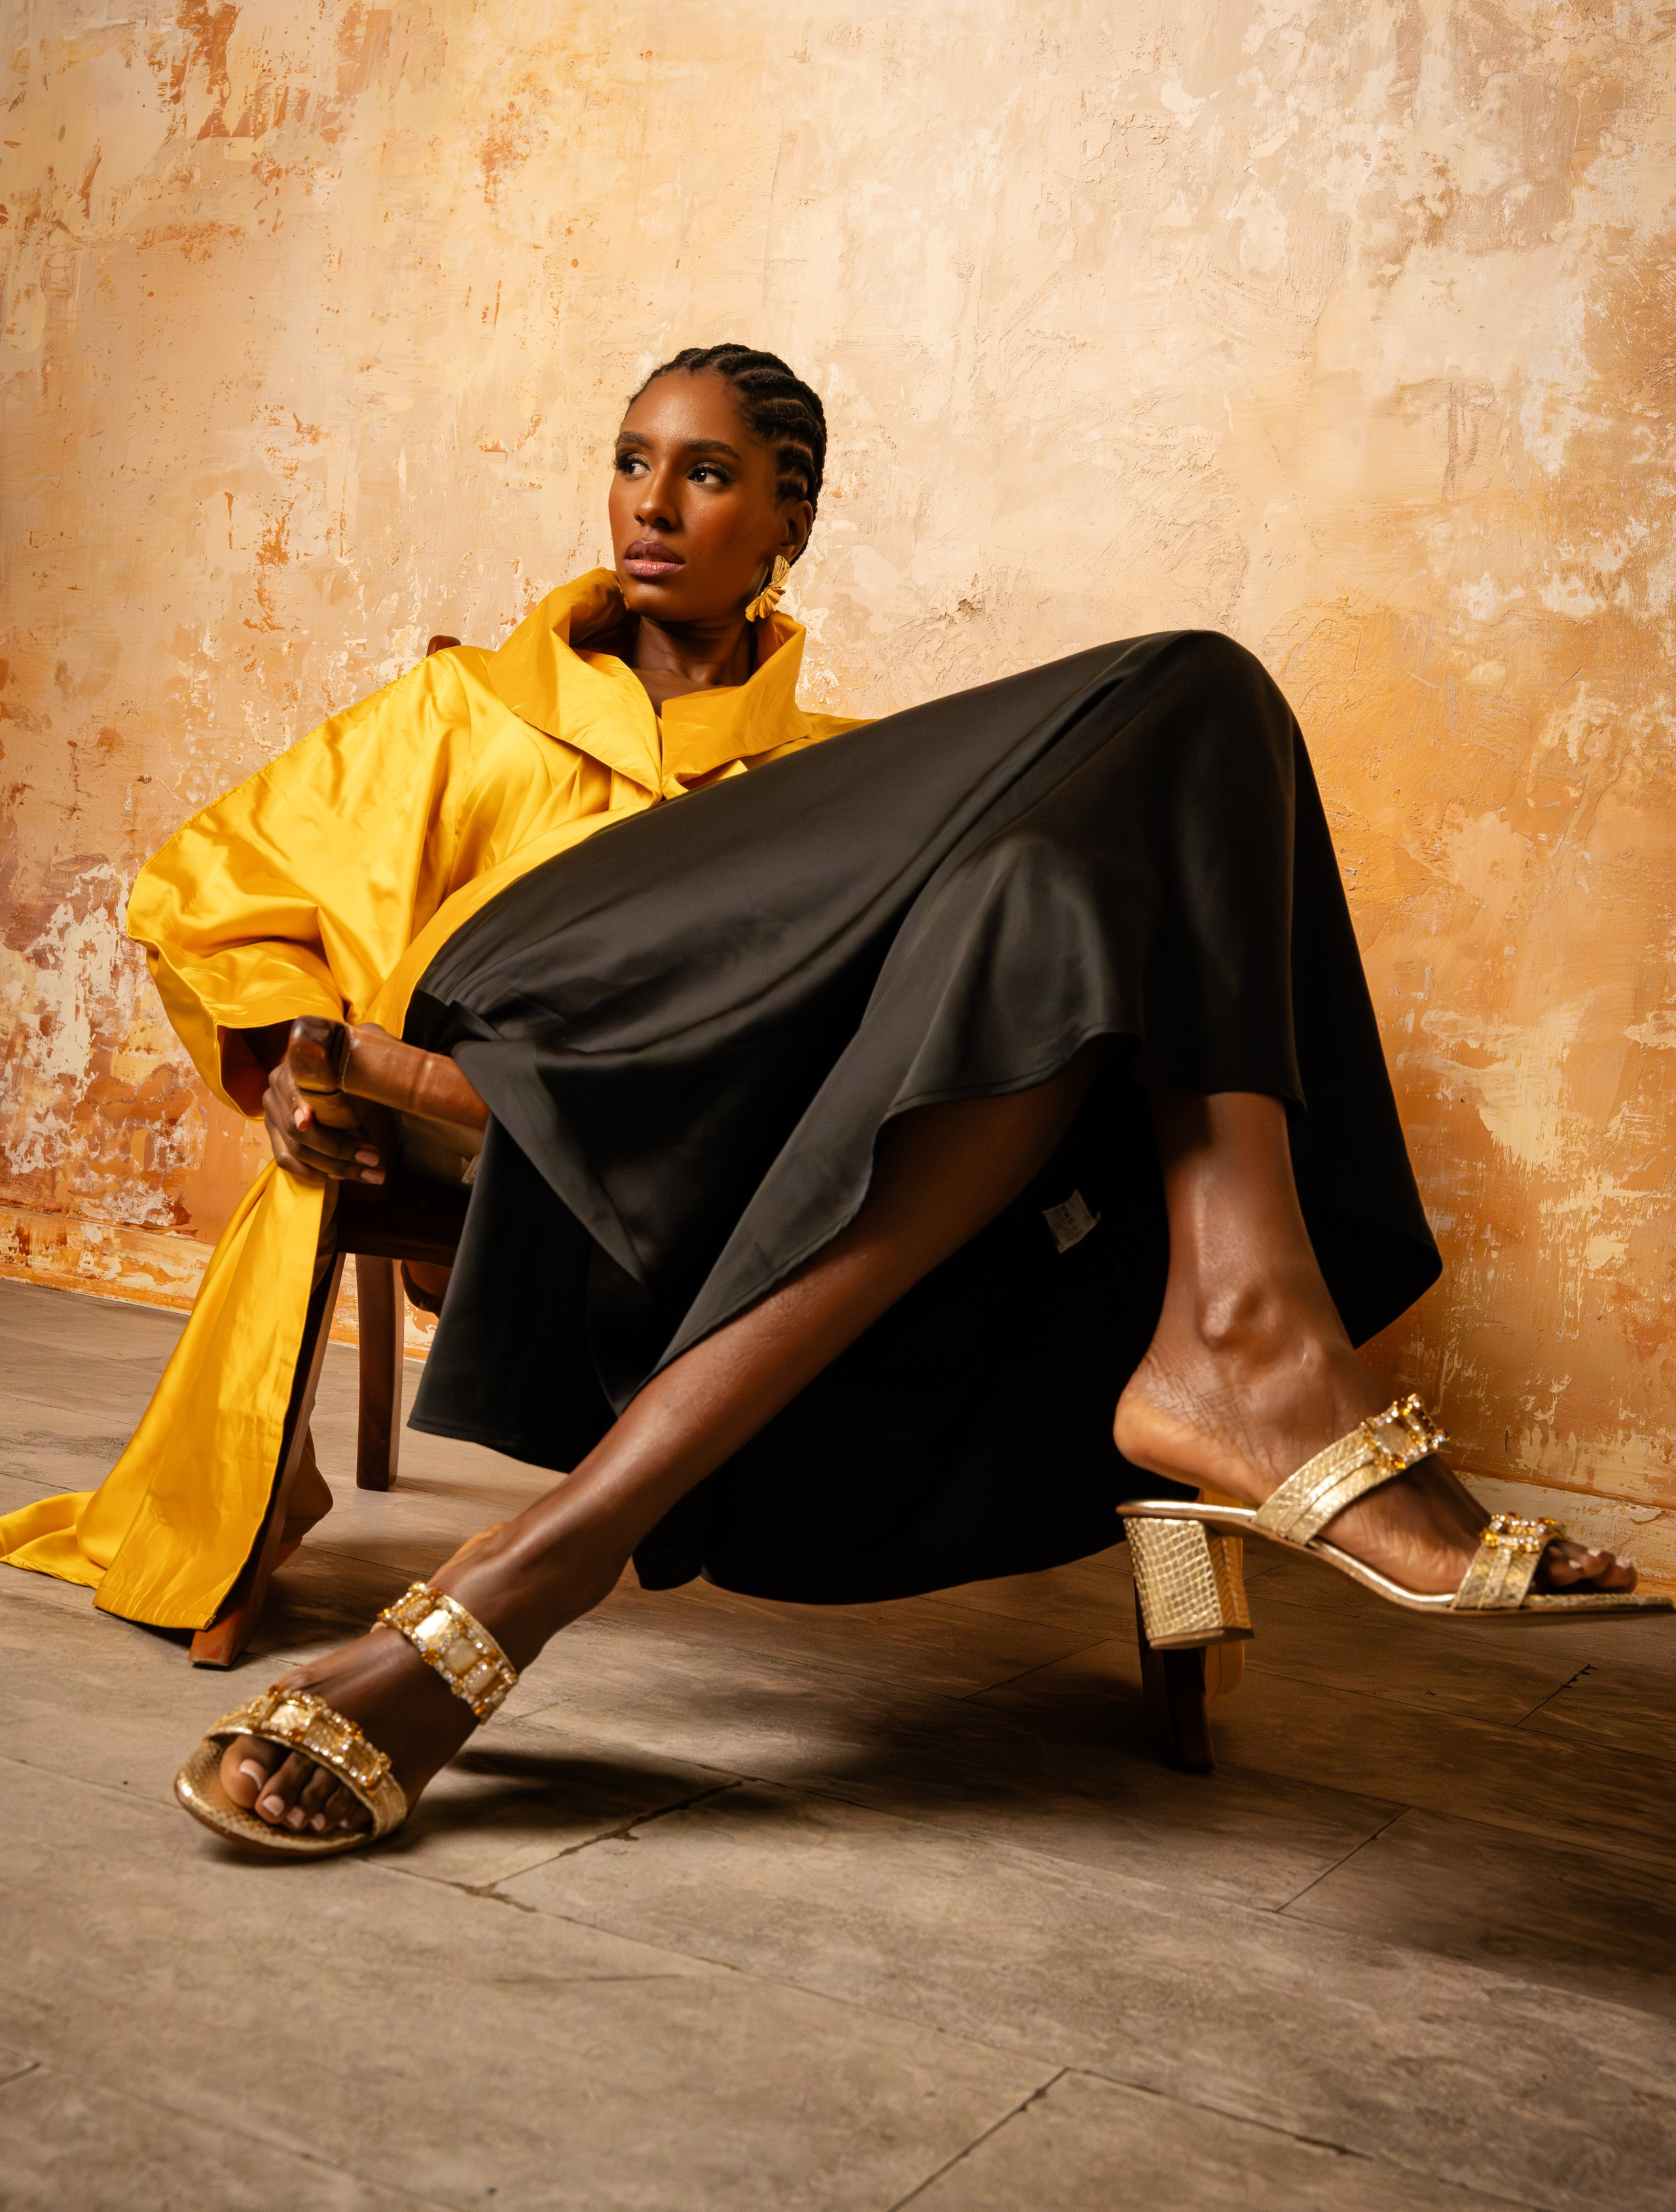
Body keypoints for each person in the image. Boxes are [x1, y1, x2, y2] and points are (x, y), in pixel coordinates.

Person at [2, 343, 1650, 1858]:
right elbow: (207, 882)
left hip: (734, 1129)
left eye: (708, 473)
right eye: (631, 461)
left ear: (788, 518)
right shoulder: (457, 707)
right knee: (1196, 687)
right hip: (532, 1019)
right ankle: (1248, 1342)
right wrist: (300, 1041)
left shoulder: (841, 783)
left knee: (1046, 906)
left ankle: (528, 1581)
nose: (653, 504)